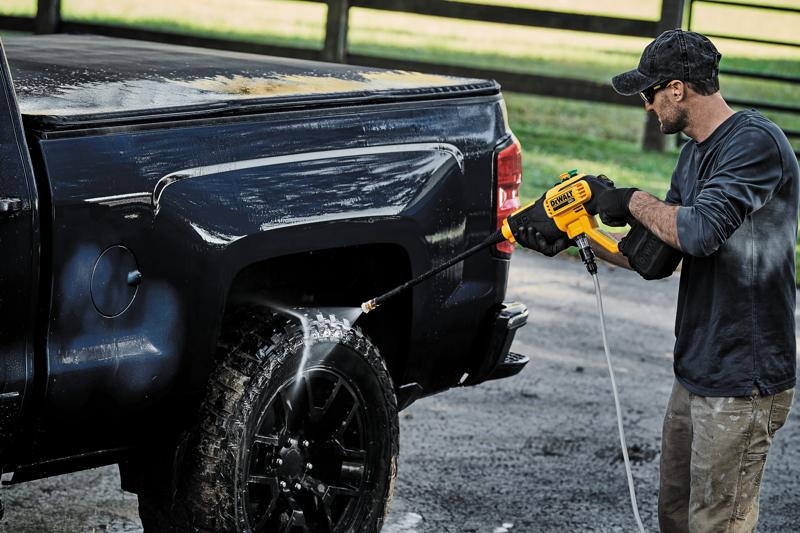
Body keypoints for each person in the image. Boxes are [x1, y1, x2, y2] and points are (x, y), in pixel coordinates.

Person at [517, 30, 798, 532]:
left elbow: (699, 231)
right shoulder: (692, 155)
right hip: (696, 369)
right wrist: (581, 235)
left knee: (717, 523)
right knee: (675, 516)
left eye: (648, 94)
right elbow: (655, 258)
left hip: (743, 378)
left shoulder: (754, 143)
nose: (647, 106)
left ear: (676, 88)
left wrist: (627, 199)